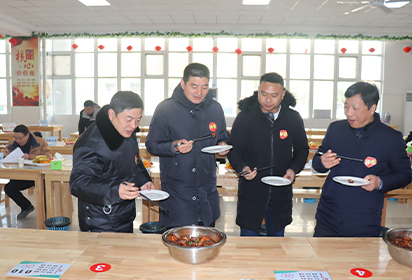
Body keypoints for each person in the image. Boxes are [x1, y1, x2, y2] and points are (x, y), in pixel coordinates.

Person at [312, 82, 412, 237]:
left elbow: (405, 174)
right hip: (328, 215)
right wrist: (322, 162)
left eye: (355, 108)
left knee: (359, 261)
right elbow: (317, 162)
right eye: (346, 107)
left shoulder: (390, 138)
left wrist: (380, 182)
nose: (349, 113)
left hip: (365, 219)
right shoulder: (335, 129)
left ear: (372, 108)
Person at [145, 63, 229, 228]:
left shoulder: (215, 109)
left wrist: (223, 145)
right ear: (183, 84)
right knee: (177, 244)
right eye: (194, 86)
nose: (199, 93)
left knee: (206, 242)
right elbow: (152, 145)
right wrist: (173, 146)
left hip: (207, 190)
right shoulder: (166, 109)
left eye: (204, 87)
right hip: (178, 192)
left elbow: (222, 135)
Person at [227, 72, 309, 237]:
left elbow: (302, 149)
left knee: (277, 245)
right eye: (263, 94)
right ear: (258, 91)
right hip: (252, 191)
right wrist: (243, 168)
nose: (268, 100)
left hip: (281, 192)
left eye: (274, 95)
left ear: (283, 94)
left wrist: (293, 169)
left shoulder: (292, 118)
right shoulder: (245, 117)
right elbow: (234, 149)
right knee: (248, 245)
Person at [70, 91, 155, 233]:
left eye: (138, 120)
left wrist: (144, 180)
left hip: (124, 214)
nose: (134, 125)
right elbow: (78, 183)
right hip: (100, 220)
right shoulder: (91, 142)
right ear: (111, 114)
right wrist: (115, 190)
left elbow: (134, 160)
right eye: (129, 119)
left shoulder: (126, 131)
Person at [3, 125, 52, 219]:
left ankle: (46, 212)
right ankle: (26, 207)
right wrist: (5, 155)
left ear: (27, 135)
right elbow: (5, 160)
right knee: (9, 188)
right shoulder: (12, 143)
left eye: (20, 138)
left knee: (44, 185)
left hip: (37, 175)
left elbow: (48, 156)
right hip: (20, 175)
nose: (18, 140)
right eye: (16, 138)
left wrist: (30, 157)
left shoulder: (40, 142)